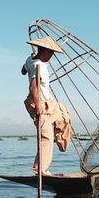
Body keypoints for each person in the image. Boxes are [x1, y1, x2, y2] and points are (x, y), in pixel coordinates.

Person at [22, 36, 65, 175]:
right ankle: (40, 170)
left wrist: (30, 60)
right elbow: (33, 87)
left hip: (48, 102)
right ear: (44, 51)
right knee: (46, 137)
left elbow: (23, 70)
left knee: (64, 114)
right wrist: (38, 106)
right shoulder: (38, 65)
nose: (51, 56)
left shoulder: (31, 60)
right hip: (38, 101)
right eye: (51, 53)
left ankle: (62, 143)